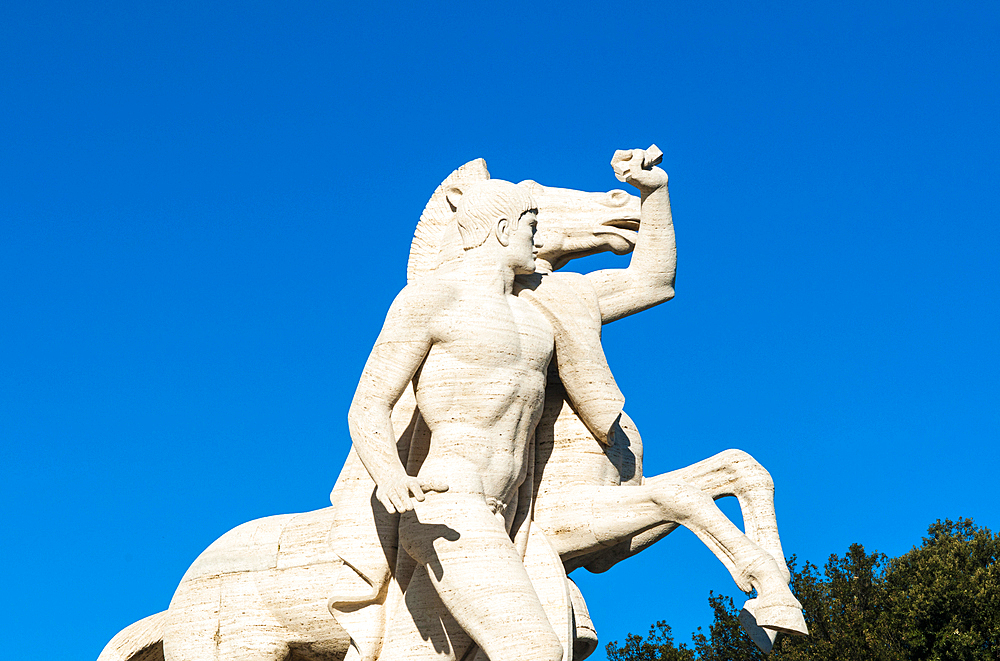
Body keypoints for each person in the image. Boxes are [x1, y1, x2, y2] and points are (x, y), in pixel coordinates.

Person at [345, 179, 563, 661]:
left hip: (506, 516)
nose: (539, 240)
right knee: (532, 649)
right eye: (532, 227)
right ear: (503, 229)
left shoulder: (537, 320)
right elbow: (368, 404)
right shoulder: (432, 299)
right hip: (449, 506)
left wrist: (655, 194)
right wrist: (390, 476)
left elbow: (651, 283)